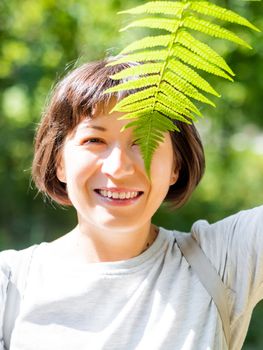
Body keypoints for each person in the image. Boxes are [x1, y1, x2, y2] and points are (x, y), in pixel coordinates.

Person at [0, 57, 262, 350]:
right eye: (94, 141)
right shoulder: (9, 286)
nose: (118, 167)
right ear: (59, 161)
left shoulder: (221, 263)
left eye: (142, 141)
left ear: (176, 165)